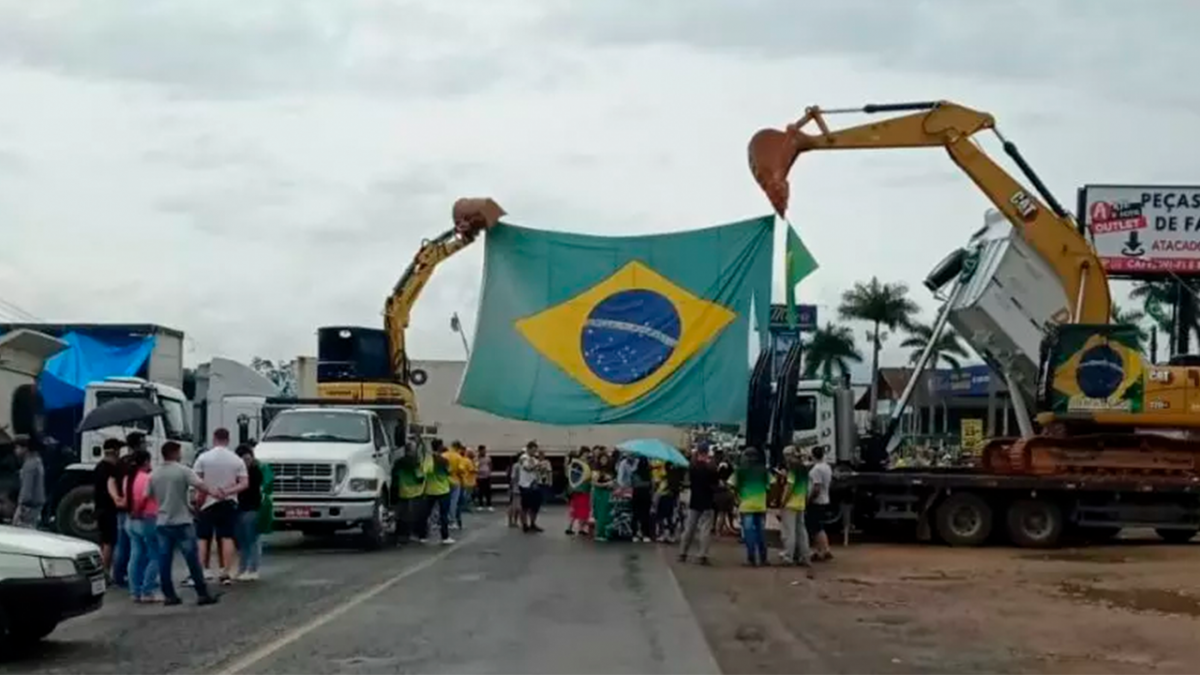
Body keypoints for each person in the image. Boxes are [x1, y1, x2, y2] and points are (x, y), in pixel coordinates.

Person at [147, 441, 219, 606]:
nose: (181, 455)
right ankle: (202, 593)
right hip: (182, 521)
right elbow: (200, 485)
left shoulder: (154, 474)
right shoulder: (183, 470)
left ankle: (169, 595)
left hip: (162, 521)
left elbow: (148, 495)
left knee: (164, 559)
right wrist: (215, 493)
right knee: (192, 559)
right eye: (179, 452)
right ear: (174, 453)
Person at [193, 428, 248, 585]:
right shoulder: (236, 460)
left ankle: (201, 571)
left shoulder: (203, 458)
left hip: (207, 502)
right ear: (228, 439)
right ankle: (225, 572)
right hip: (228, 502)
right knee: (227, 537)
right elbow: (244, 483)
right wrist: (227, 491)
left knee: (203, 537)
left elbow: (197, 482)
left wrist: (205, 495)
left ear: (214, 438)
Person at [124, 448, 161, 602]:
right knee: (155, 555)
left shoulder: (128, 478)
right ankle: (147, 591)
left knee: (135, 555)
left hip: (130, 521)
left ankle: (134, 591)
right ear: (146, 461)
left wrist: (132, 512)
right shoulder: (147, 478)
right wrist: (137, 510)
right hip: (147, 518)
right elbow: (144, 498)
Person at [731, 447, 769, 566]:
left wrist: (737, 496)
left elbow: (732, 485)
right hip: (760, 505)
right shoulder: (763, 470)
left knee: (749, 533)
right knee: (760, 532)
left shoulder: (740, 471)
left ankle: (751, 558)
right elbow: (771, 485)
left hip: (746, 505)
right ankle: (763, 558)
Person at [679, 446, 717, 565]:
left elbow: (688, 482)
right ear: (706, 453)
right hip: (707, 502)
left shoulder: (692, 467)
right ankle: (702, 555)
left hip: (694, 501)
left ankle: (683, 553)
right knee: (705, 530)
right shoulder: (711, 468)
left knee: (689, 528)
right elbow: (715, 485)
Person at [234, 444, 267, 580]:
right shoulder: (238, 472)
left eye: (248, 459)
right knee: (242, 541)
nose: (246, 462)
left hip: (252, 508)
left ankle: (253, 569)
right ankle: (243, 568)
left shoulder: (256, 471)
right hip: (240, 508)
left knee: (252, 539)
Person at [93, 438, 124, 580]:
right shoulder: (111, 469)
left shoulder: (99, 467)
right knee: (109, 542)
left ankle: (100, 569)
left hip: (100, 508)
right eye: (119, 450)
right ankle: (105, 573)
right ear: (115, 451)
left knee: (103, 541)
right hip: (109, 509)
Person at [777, 446, 812, 568]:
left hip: (790, 504)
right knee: (801, 531)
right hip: (800, 503)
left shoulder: (793, 470)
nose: (785, 458)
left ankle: (788, 556)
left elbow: (789, 488)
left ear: (790, 455)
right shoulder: (804, 469)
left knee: (789, 532)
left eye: (786, 455)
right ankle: (804, 556)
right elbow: (807, 488)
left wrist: (783, 502)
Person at [393, 442, 426, 543]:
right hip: (415, 492)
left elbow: (395, 475)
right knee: (414, 514)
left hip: (402, 490)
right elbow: (419, 477)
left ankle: (400, 535)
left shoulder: (398, 462)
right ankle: (412, 534)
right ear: (412, 450)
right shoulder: (415, 463)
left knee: (401, 514)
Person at [807, 445, 834, 562]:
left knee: (816, 528)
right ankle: (823, 550)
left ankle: (823, 551)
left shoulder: (816, 470)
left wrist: (809, 499)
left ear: (812, 455)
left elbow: (816, 488)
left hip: (817, 501)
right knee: (819, 527)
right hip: (825, 499)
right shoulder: (827, 467)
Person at [424, 442, 454, 544]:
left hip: (430, 490)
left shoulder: (428, 459)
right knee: (444, 514)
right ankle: (445, 537)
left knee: (426, 513)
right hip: (443, 490)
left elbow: (425, 471)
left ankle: (423, 535)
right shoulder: (444, 461)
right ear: (440, 447)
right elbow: (449, 472)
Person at [13, 436, 44, 529]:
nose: (15, 451)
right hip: (36, 505)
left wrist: (20, 507)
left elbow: (26, 488)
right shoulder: (37, 461)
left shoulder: (29, 465)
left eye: (17, 447)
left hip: (29, 507)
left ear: (25, 449)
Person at [516, 442, 544, 533]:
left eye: (536, 450)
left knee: (535, 506)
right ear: (528, 449)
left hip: (534, 484)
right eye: (533, 450)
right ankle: (524, 524)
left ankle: (533, 523)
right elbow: (528, 468)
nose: (535, 452)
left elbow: (538, 470)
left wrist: (541, 466)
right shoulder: (523, 458)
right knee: (525, 506)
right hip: (525, 485)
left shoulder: (534, 459)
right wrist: (537, 465)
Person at [657, 460, 686, 543]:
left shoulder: (671, 474)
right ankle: (668, 534)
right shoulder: (677, 471)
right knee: (668, 516)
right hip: (670, 495)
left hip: (668, 495)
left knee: (666, 516)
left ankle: (667, 534)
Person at [565, 447, 592, 536]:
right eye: (585, 453)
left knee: (583, 509)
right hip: (578, 489)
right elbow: (570, 475)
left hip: (584, 489)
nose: (586, 455)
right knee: (575, 508)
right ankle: (570, 527)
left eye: (587, 453)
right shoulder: (576, 463)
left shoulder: (587, 463)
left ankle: (581, 528)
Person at [590, 449, 615, 542]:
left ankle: (607, 532)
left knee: (608, 513)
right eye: (602, 459)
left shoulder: (610, 470)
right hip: (600, 493)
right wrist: (606, 484)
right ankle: (600, 533)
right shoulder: (596, 471)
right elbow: (594, 483)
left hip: (608, 493)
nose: (604, 461)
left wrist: (612, 484)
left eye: (605, 459)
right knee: (601, 514)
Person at [444, 441, 466, 531]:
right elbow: (461, 470)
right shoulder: (458, 457)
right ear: (458, 447)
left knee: (444, 501)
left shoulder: (444, 455)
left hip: (444, 481)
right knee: (453, 502)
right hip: (455, 481)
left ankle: (442, 520)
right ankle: (452, 521)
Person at [631, 457, 654, 543]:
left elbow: (632, 484)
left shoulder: (634, 473)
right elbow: (652, 485)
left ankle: (635, 534)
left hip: (636, 495)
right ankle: (646, 535)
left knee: (635, 515)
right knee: (645, 515)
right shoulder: (649, 474)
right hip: (646, 495)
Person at [474, 445, 493, 511]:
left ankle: (489, 505)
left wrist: (489, 472)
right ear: (479, 451)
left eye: (485, 450)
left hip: (487, 476)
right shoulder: (476, 458)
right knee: (480, 491)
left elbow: (490, 465)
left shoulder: (488, 458)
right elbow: (475, 466)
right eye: (483, 450)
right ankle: (480, 504)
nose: (484, 451)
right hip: (479, 477)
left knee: (488, 491)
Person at [461, 447, 477, 516]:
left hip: (465, 480)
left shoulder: (463, 460)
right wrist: (476, 469)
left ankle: (464, 507)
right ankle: (466, 507)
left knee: (465, 494)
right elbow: (471, 470)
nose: (473, 454)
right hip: (469, 481)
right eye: (472, 453)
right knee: (467, 495)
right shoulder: (468, 461)